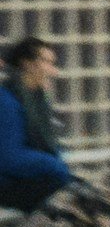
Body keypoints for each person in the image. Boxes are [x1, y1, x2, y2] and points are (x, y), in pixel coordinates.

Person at [0, 35, 73, 213]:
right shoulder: (7, 100)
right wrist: (55, 165)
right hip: (7, 184)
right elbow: (9, 158)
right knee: (63, 192)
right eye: (46, 62)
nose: (52, 71)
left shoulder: (38, 101)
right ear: (27, 64)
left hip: (22, 179)